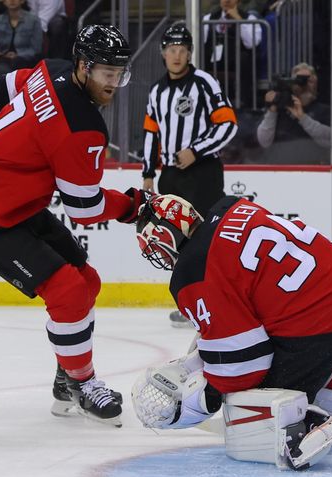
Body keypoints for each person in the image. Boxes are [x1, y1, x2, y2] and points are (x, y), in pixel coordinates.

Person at [0, 25, 150, 424]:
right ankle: (83, 383)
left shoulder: (47, 70)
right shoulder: (83, 127)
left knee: (87, 281)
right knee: (69, 291)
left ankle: (64, 375)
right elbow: (84, 209)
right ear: (83, 66)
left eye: (119, 73)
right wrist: (132, 206)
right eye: (106, 72)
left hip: (15, 205)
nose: (114, 83)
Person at [131, 194, 332, 470]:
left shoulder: (192, 271)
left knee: (253, 391)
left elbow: (243, 367)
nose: (160, 258)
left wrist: (208, 397)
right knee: (294, 364)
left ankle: (303, 427)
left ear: (166, 237)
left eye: (155, 248)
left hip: (323, 324)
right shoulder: (233, 208)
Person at [141, 21, 238, 328]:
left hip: (204, 173)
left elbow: (228, 124)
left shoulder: (205, 83)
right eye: (171, 49)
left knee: (207, 238)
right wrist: (147, 173)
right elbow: (150, 133)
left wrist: (196, 149)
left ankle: (218, 300)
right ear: (163, 53)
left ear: (190, 52)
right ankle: (191, 304)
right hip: (171, 175)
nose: (177, 55)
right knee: (177, 241)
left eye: (183, 50)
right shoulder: (157, 91)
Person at [256, 62, 330, 164]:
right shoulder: (279, 109)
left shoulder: (324, 110)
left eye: (309, 81)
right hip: (279, 170)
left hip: (313, 171)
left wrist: (303, 118)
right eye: (300, 81)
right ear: (292, 84)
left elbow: (330, 140)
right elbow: (264, 141)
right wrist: (272, 110)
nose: (305, 85)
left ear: (316, 84)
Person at [202, 0, 262, 108]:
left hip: (235, 61)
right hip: (213, 59)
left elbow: (251, 43)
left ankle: (244, 104)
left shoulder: (249, 19)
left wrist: (239, 20)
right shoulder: (208, 19)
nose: (227, 0)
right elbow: (199, 43)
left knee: (244, 59)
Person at [0, 0, 43, 69]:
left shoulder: (34, 20)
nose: (12, 1)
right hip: (4, 59)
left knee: (16, 63)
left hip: (26, 60)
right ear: (4, 2)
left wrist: (18, 55)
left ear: (22, 1)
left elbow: (36, 49)